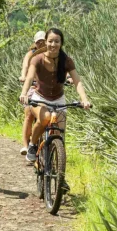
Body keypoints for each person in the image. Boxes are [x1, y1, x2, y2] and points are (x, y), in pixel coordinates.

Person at [19, 28, 91, 162]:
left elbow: (77, 82)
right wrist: (24, 93)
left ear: (61, 43)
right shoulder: (37, 59)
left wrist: (84, 99)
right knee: (45, 118)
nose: (53, 44)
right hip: (40, 98)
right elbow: (29, 78)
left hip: (59, 100)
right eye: (50, 41)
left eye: (57, 41)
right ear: (46, 42)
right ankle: (32, 145)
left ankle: (58, 172)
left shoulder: (67, 61)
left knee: (60, 135)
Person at [18, 31, 47, 156]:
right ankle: (26, 146)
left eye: (43, 40)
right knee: (29, 114)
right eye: (38, 41)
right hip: (33, 86)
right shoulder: (31, 54)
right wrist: (23, 76)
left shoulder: (52, 54)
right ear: (35, 43)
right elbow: (25, 66)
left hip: (47, 88)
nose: (41, 43)